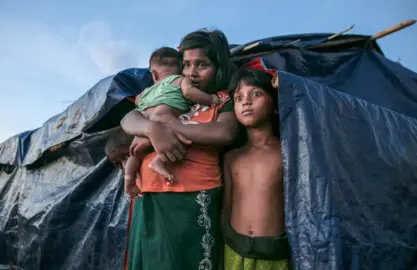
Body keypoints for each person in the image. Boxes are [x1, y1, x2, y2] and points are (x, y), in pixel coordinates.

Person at [120, 29, 237, 270]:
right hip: (148, 194)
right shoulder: (171, 93)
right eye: (186, 65)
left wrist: (169, 128)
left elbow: (224, 133)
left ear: (219, 68)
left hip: (192, 196)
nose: (191, 73)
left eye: (201, 65)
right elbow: (129, 119)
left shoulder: (222, 99)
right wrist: (152, 130)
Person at [124, 47, 221, 197]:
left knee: (135, 151)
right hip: (165, 116)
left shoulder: (143, 93)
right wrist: (210, 99)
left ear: (153, 73)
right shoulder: (180, 79)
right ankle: (159, 162)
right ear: (181, 69)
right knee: (185, 133)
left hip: (145, 121)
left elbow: (137, 106)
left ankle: (129, 178)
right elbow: (189, 92)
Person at [221, 68, 291, 270]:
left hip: (274, 255)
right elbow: (226, 209)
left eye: (256, 94)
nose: (246, 102)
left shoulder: (288, 152)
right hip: (233, 249)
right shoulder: (231, 157)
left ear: (276, 106)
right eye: (238, 98)